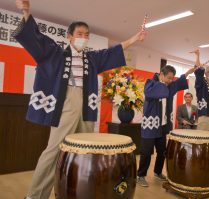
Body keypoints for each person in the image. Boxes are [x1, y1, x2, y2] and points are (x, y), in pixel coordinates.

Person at [14, 1, 146, 198]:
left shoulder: (91, 58)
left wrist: (135, 38)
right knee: (53, 152)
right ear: (69, 36)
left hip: (87, 106)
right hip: (65, 104)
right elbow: (36, 39)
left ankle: (77, 192)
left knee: (85, 150)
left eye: (87, 35)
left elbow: (112, 52)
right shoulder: (55, 53)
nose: (83, 38)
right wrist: (26, 11)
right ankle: (35, 195)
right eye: (79, 34)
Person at [136, 65, 196, 187]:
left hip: (162, 126)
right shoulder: (151, 83)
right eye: (168, 78)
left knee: (162, 151)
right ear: (161, 74)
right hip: (150, 125)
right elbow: (149, 93)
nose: (170, 80)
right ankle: (140, 175)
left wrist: (190, 71)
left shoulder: (169, 84)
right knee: (146, 152)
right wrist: (161, 82)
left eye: (172, 78)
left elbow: (179, 81)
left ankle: (157, 172)